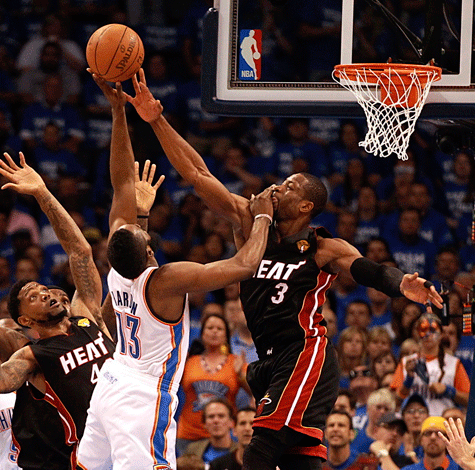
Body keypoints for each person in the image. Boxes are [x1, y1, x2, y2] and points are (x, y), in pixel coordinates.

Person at [124, 68, 442, 470]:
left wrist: (402, 285)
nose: (278, 187)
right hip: (270, 358)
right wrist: (156, 119)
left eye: (290, 186)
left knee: (262, 445)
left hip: (305, 353)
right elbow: (198, 174)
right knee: (298, 459)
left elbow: (369, 270)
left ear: (306, 206)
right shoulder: (251, 222)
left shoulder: (323, 246)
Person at [75, 71, 273, 470]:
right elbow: (245, 264)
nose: (137, 219)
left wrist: (118, 113)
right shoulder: (167, 279)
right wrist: (264, 218)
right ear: (149, 250)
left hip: (111, 380)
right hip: (143, 396)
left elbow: (120, 185)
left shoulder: (117, 267)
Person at [0, 152, 116, 467]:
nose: (44, 293)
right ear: (24, 319)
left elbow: (80, 251)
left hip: (129, 432)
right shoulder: (35, 355)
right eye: (33, 296)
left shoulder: (84, 315)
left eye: (43, 289)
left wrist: (42, 193)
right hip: (90, 455)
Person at [178, 313, 250, 454]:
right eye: (210, 327)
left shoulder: (235, 362)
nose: (215, 331)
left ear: (226, 335)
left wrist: (241, 374)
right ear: (202, 334)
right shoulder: (190, 362)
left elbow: (256, 392)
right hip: (188, 434)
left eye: (219, 328)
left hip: (223, 436)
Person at [390, 313, 470, 416]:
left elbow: (468, 400)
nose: (428, 335)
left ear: (441, 334)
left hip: (441, 422)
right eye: (423, 330)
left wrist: (448, 390)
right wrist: (408, 380)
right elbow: (395, 400)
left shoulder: (453, 363)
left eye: (432, 330)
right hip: (413, 422)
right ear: (418, 333)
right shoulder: (406, 362)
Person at [180, 398, 238, 466]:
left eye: (221, 416)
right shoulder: (192, 450)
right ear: (204, 424)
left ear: (231, 422)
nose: (216, 421)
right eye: (211, 416)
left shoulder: (240, 452)